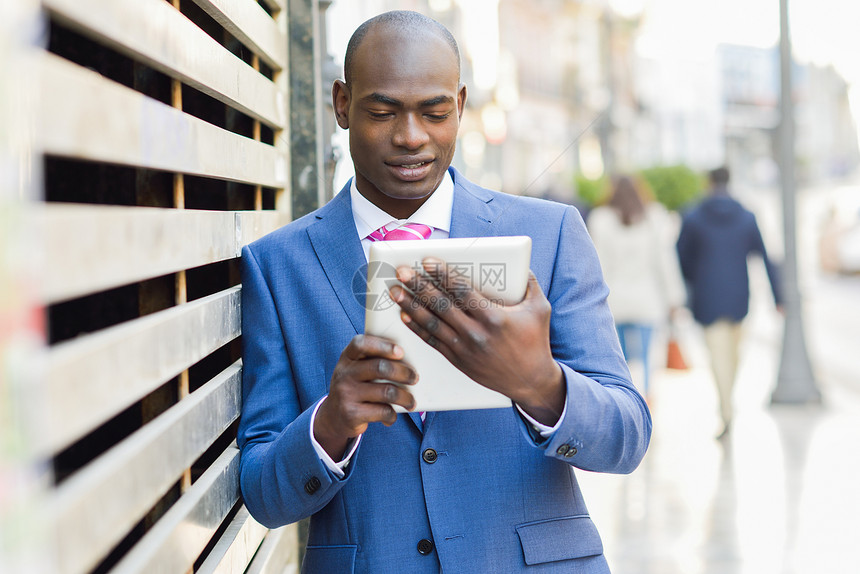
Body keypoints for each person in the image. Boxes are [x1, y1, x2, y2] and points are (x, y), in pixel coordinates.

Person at [237, 11, 650, 573]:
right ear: (341, 104)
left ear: (459, 106)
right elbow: (262, 493)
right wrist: (331, 421)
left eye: (434, 113)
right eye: (382, 112)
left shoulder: (550, 235)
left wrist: (539, 384)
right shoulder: (277, 266)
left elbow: (626, 438)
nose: (411, 137)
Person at [676, 166, 782, 439]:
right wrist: (778, 297)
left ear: (709, 183)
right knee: (733, 357)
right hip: (739, 299)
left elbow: (681, 259)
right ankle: (727, 407)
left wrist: (693, 282)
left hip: (706, 298)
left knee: (718, 358)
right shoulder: (746, 217)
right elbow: (765, 258)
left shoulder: (693, 217)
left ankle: (726, 409)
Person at [587, 175, 685, 400]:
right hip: (647, 300)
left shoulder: (600, 219)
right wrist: (674, 299)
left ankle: (623, 399)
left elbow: (598, 264)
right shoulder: (654, 217)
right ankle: (647, 398)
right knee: (649, 356)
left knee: (618, 358)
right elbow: (664, 262)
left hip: (614, 300)